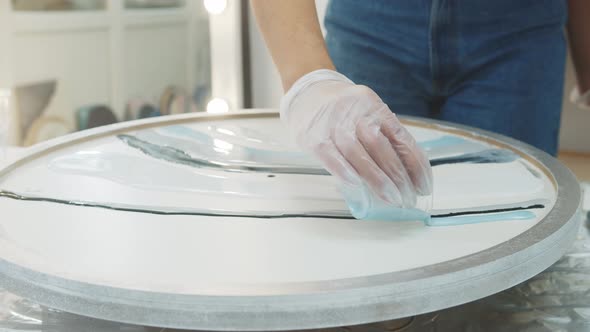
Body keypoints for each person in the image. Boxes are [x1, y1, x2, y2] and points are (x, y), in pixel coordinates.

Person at [250, 0, 590, 215]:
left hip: (517, 30)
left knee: (511, 232)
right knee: (364, 239)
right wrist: (309, 79)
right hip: (373, 23)